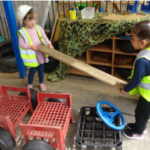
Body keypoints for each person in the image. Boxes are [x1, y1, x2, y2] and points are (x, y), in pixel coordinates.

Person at [120, 20, 150, 140]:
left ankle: (139, 132)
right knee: (143, 112)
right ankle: (140, 127)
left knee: (141, 113)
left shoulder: (143, 60)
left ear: (142, 43)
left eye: (132, 38)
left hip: (149, 96)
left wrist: (126, 89)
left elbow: (137, 79)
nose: (130, 41)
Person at [16, 5, 54, 91]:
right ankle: (30, 83)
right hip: (32, 56)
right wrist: (30, 46)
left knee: (41, 70)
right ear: (23, 21)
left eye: (34, 19)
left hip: (40, 53)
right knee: (32, 71)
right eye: (29, 20)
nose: (33, 22)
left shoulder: (39, 28)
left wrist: (49, 44)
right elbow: (21, 44)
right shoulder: (22, 32)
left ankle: (41, 83)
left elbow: (45, 38)